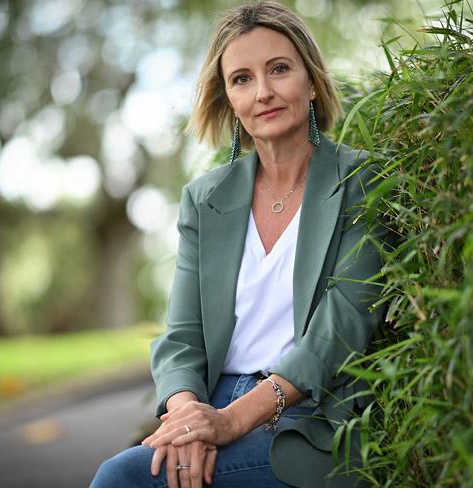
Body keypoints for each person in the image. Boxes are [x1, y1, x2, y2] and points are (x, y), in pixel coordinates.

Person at [90, 2, 390, 487]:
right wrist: (190, 418)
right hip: (211, 402)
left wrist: (230, 421)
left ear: (311, 81)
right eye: (242, 79)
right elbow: (182, 336)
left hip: (307, 415)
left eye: (279, 69)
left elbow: (342, 328)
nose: (264, 92)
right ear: (228, 97)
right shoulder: (203, 199)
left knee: (120, 480)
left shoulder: (359, 178)